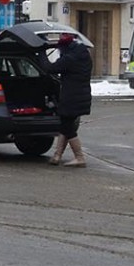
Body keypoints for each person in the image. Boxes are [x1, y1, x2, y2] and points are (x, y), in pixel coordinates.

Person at [37, 32, 93, 167]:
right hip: (81, 94)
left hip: (72, 96)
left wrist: (42, 52)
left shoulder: (70, 58)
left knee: (67, 127)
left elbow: (50, 68)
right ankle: (57, 156)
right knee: (65, 124)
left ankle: (79, 157)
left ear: (65, 47)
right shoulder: (82, 54)